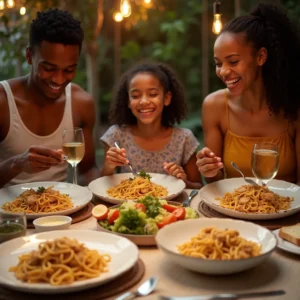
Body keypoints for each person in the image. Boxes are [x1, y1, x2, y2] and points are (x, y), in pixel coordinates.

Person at [196, 3, 300, 185]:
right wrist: (209, 169)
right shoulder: (214, 106)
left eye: (233, 61)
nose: (223, 72)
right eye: (218, 63)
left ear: (260, 57)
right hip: (234, 210)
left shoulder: (293, 108)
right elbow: (215, 183)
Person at [0, 8, 99, 187]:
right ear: (30, 56)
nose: (58, 79)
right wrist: (17, 164)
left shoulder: (81, 103)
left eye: (69, 70)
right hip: (9, 214)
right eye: (49, 68)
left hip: (61, 212)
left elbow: (88, 170)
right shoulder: (3, 102)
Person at [100, 62, 202, 189]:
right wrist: (109, 166)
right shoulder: (116, 135)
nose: (144, 101)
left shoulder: (184, 139)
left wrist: (183, 181)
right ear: (128, 101)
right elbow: (101, 185)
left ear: (166, 98)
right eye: (136, 96)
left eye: (153, 94)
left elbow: (198, 187)